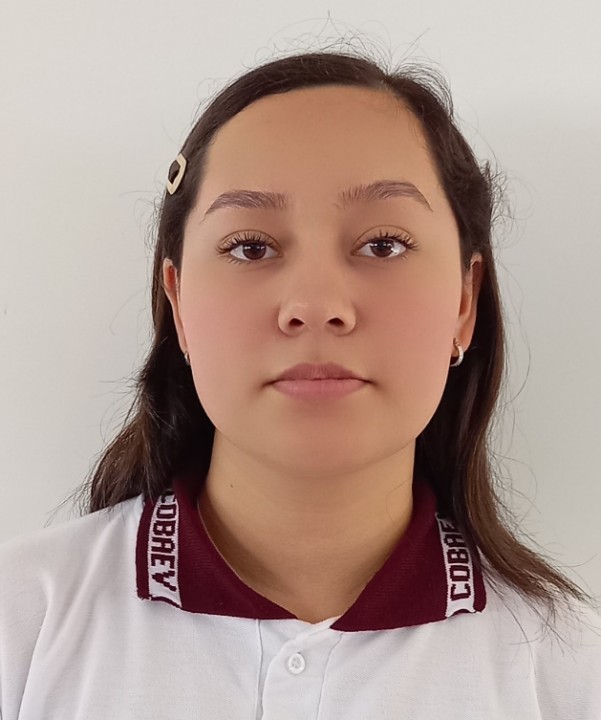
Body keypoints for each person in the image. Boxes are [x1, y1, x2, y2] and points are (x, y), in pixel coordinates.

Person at [1, 47, 600, 719]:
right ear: (179, 304)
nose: (315, 305)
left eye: (383, 245)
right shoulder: (22, 624)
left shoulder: (570, 671)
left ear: (465, 301)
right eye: (251, 247)